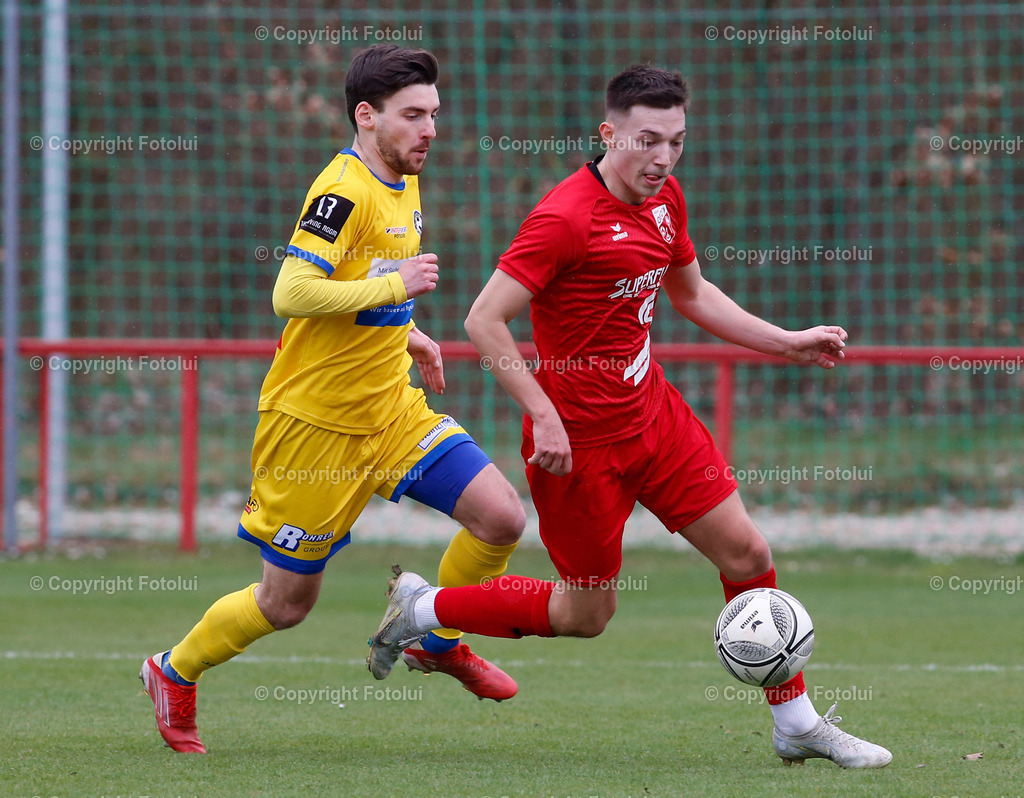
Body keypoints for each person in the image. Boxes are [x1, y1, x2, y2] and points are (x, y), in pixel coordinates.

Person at [368, 64, 892, 769]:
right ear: (608, 133)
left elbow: (694, 295)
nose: (663, 157)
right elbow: (483, 321)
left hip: (655, 418)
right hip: (577, 448)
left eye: (676, 141)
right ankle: (425, 611)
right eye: (648, 140)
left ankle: (794, 724)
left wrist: (786, 342)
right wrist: (543, 415)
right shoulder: (564, 218)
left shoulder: (666, 199)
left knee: (750, 555)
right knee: (586, 616)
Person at [141, 44, 527, 754]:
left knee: (501, 516)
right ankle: (174, 670)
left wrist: (410, 333)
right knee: (285, 605)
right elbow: (291, 292)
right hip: (313, 430)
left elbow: (364, 281)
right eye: (413, 115)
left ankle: (436, 639)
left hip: (389, 412)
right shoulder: (340, 190)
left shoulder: (404, 176)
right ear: (366, 116)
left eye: (434, 114)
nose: (430, 129)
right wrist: (396, 289)